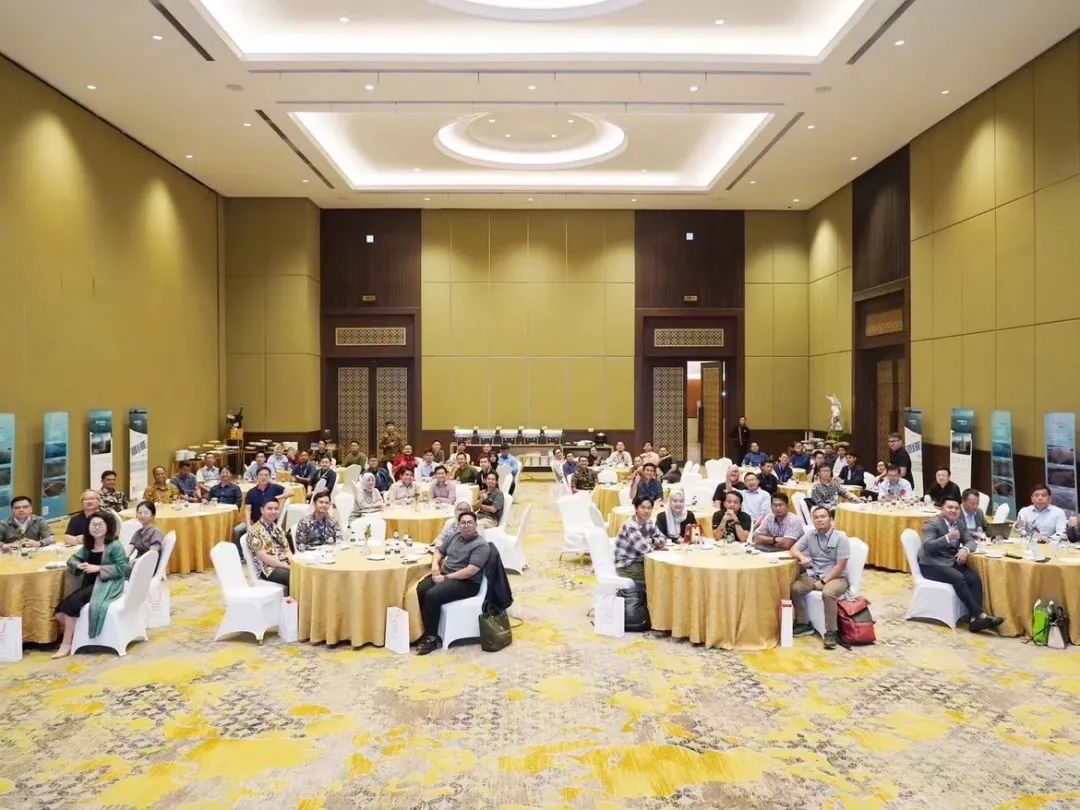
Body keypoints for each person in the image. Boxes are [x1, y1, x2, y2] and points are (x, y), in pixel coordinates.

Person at [920, 495, 1004, 633]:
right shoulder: (932, 524)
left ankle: (973, 620)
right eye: (949, 507)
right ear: (942, 509)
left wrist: (965, 549)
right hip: (931, 564)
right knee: (958, 577)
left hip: (950, 561)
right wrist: (947, 538)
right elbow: (927, 547)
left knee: (974, 579)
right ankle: (981, 615)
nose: (953, 510)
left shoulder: (959, 524)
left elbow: (970, 541)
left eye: (956, 508)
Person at [414, 509, 491, 654]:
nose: (466, 526)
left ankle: (432, 638)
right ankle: (425, 628)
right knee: (421, 588)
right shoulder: (455, 536)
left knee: (433, 595)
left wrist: (445, 578)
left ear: (476, 525)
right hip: (446, 574)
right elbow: (439, 551)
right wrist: (435, 565)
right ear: (459, 525)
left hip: (467, 583)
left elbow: (470, 571)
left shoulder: (481, 545)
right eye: (463, 523)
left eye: (470, 523)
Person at [53, 512, 130, 658]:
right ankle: (77, 635)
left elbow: (124, 568)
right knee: (59, 611)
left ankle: (66, 643)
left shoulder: (114, 545)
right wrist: (79, 565)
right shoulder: (89, 545)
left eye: (100, 524)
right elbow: (72, 560)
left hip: (107, 584)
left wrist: (99, 568)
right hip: (90, 583)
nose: (96, 528)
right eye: (93, 524)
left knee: (70, 606)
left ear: (108, 527)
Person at [790, 506, 850, 649]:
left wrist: (824, 581)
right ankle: (804, 623)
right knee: (795, 588)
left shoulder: (840, 537)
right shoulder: (811, 535)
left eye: (823, 516)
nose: (819, 520)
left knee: (828, 593)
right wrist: (802, 558)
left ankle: (831, 632)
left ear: (831, 519)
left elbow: (840, 566)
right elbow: (793, 549)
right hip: (814, 574)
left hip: (836, 577)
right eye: (816, 517)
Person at [614, 497, 665, 590]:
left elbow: (663, 539)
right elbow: (646, 550)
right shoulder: (631, 526)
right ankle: (650, 598)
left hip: (640, 562)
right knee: (657, 576)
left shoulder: (649, 523)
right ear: (636, 509)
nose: (646, 511)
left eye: (649, 508)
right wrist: (653, 544)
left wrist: (652, 540)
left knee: (661, 572)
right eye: (643, 507)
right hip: (626, 565)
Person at [234, 466, 287, 549]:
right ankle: (241, 553)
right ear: (256, 477)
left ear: (270, 477)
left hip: (269, 522)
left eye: (266, 475)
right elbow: (247, 510)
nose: (263, 477)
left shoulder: (275, 488)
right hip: (254, 521)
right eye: (261, 475)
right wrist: (248, 525)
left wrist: (278, 497)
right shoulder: (251, 492)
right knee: (237, 530)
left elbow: (290, 492)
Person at [246, 499, 291, 595]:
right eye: (270, 509)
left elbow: (287, 550)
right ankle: (294, 602)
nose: (273, 512)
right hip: (268, 569)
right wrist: (285, 566)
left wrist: (294, 563)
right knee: (294, 576)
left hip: (284, 563)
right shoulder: (255, 530)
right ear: (262, 510)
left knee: (304, 572)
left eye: (276, 509)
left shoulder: (277, 528)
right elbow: (263, 557)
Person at [127, 500, 164, 575]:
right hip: (136, 565)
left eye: (146, 513)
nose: (142, 515)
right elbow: (129, 550)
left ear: (153, 515)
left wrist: (137, 560)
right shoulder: (138, 532)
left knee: (115, 571)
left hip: (148, 567)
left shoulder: (156, 532)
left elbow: (151, 554)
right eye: (140, 513)